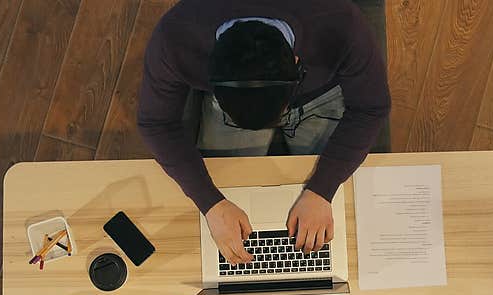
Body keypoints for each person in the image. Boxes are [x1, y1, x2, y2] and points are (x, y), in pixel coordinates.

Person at [137, 0, 390, 264]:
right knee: (225, 194)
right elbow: (155, 123)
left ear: (296, 62)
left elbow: (371, 107)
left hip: (318, 96)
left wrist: (322, 190)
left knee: (345, 204)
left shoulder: (339, 21)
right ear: (209, 70)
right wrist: (211, 204)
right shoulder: (175, 35)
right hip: (238, 99)